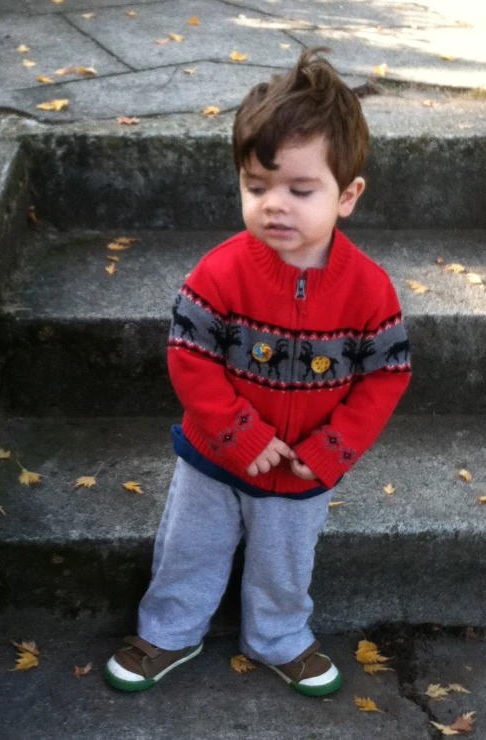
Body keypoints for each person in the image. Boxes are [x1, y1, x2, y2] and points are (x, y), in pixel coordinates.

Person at [104, 48, 411, 696]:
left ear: (346, 194)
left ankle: (278, 637)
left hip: (303, 466)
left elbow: (385, 377)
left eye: (300, 190)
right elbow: (190, 359)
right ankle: (167, 631)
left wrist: (331, 449)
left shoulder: (368, 291)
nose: (275, 205)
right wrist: (236, 434)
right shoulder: (218, 273)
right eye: (255, 185)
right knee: (189, 550)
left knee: (283, 561)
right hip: (214, 458)